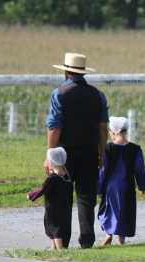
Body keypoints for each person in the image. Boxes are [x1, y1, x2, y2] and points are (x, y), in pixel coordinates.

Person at [45, 52, 109, 249]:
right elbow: (103, 127)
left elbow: (55, 127)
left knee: (63, 196)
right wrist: (102, 152)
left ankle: (62, 240)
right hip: (89, 151)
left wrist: (50, 154)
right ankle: (87, 239)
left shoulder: (59, 94)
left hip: (64, 154)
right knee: (86, 197)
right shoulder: (98, 95)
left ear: (66, 71)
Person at [97, 117, 145, 246]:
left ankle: (109, 233)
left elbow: (102, 170)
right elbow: (139, 169)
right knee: (125, 211)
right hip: (127, 186)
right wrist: (142, 185)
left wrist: (98, 187)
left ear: (113, 132)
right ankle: (121, 240)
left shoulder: (107, 149)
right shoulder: (135, 149)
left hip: (110, 187)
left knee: (108, 210)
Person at [28, 147, 73, 250]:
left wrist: (31, 195)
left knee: (55, 229)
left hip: (53, 209)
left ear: (51, 162)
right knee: (59, 228)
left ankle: (60, 250)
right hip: (64, 208)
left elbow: (42, 190)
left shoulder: (52, 178)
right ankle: (53, 247)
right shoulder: (66, 177)